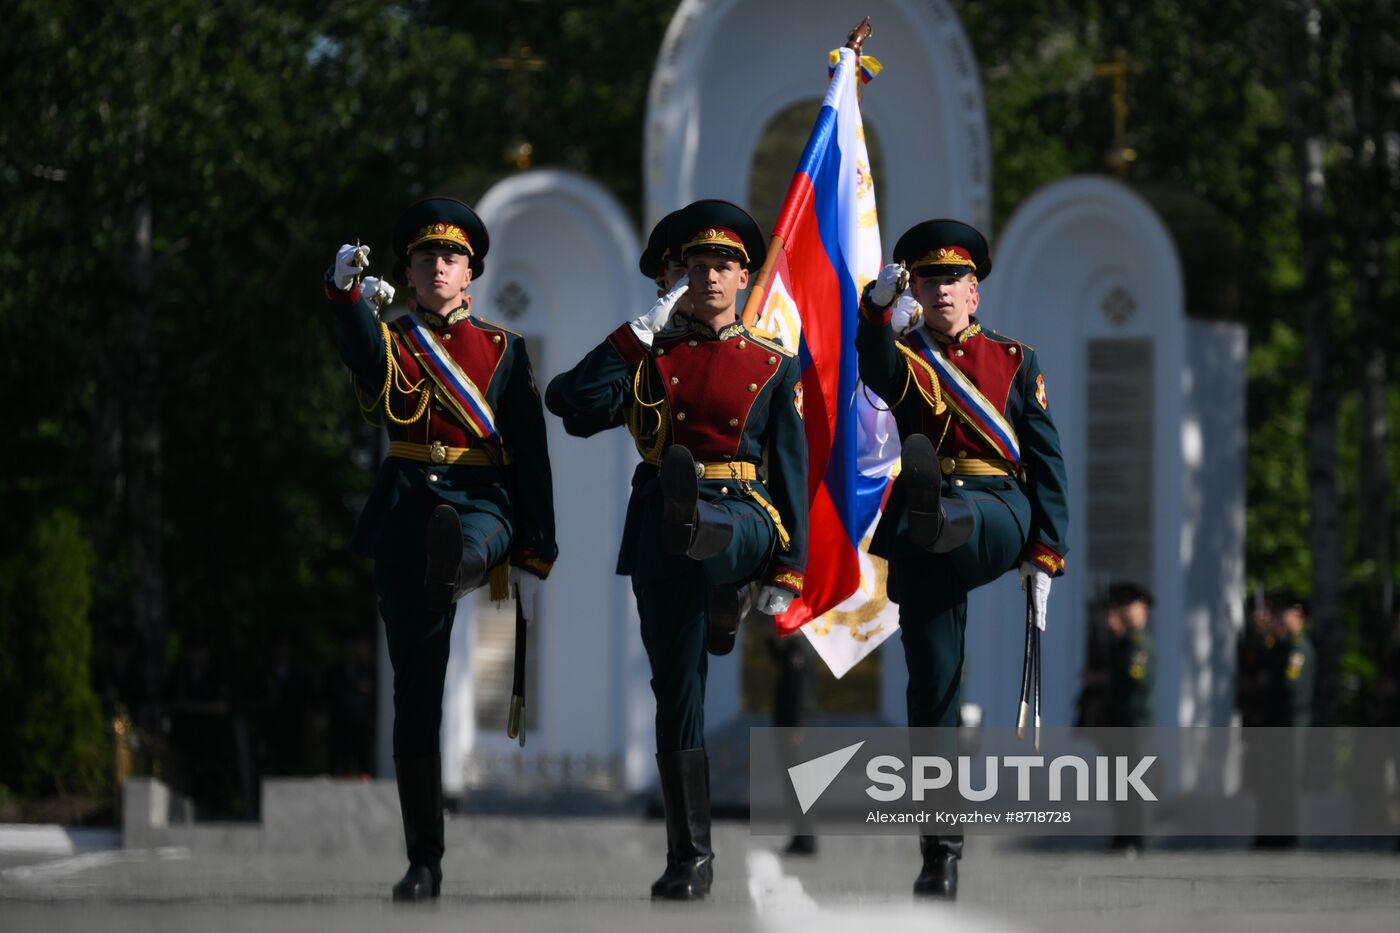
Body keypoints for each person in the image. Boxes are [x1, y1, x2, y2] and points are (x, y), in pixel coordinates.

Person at [545, 199, 808, 900]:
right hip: (663, 526)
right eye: (697, 264)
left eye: (724, 264)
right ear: (679, 277)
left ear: (745, 277)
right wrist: (633, 337)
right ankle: (690, 855)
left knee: (726, 537)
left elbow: (792, 469)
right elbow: (568, 402)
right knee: (677, 695)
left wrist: (792, 566)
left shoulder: (774, 362)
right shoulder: (652, 357)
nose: (710, 275)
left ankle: (729, 574)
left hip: (746, 509)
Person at [323, 196, 557, 901]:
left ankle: (457, 561)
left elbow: (532, 455)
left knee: (472, 540)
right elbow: (360, 355)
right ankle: (424, 856)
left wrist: (537, 549)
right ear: (411, 273)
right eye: (425, 257)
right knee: (415, 693)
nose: (437, 266)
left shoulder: (505, 349)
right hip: (405, 507)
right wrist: (344, 294)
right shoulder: (391, 338)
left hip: (480, 498)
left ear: (470, 274)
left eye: (450, 257)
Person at [854, 219, 1068, 899]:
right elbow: (875, 371)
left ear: (974, 292)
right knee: (932, 691)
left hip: (998, 509)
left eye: (953, 279)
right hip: (923, 529)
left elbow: (1046, 461)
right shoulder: (904, 351)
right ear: (913, 287)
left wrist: (1047, 553)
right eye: (928, 278)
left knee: (960, 517)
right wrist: (873, 309)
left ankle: (940, 510)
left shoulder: (1015, 359)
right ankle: (940, 849)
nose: (941, 289)